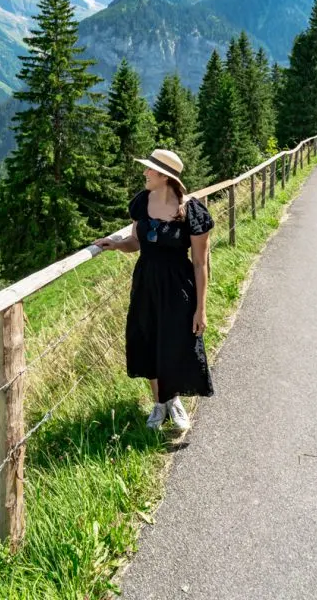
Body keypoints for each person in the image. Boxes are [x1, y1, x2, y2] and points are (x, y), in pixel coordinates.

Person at [94, 147, 214, 431]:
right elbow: (136, 242)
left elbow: (200, 263)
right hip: (146, 282)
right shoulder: (141, 203)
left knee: (175, 341)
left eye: (150, 169)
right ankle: (159, 403)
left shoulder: (192, 212)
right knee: (148, 339)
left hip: (178, 286)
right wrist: (116, 245)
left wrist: (201, 308)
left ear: (164, 176)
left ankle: (173, 401)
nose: (145, 173)